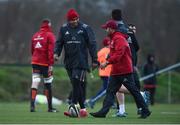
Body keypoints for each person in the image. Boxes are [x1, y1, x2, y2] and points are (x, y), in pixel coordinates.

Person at [90, 20, 151, 118]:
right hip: (116, 71)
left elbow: (118, 55)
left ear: (112, 29)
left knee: (134, 91)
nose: (106, 30)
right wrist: (106, 61)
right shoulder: (114, 38)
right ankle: (103, 112)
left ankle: (145, 110)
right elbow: (113, 54)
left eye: (107, 28)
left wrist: (107, 62)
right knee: (110, 91)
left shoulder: (119, 39)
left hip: (124, 70)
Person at [54, 8, 98, 117]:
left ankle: (73, 105)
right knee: (76, 84)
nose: (74, 21)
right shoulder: (64, 29)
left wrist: (94, 60)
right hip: (69, 62)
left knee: (76, 80)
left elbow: (92, 44)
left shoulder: (85, 28)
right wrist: (56, 53)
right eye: (72, 20)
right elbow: (59, 43)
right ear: (68, 20)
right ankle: (83, 109)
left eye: (76, 19)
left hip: (81, 62)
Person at [30, 19, 57, 112]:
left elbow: (32, 50)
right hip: (45, 63)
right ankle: (50, 108)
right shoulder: (50, 35)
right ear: (49, 25)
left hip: (35, 62)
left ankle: (32, 106)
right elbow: (51, 51)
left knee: (35, 81)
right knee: (48, 83)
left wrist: (34, 59)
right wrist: (51, 63)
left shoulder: (35, 35)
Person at [88, 37, 112, 109]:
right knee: (107, 89)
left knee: (106, 88)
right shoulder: (110, 50)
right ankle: (93, 100)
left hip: (102, 72)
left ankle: (111, 102)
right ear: (109, 43)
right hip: (109, 73)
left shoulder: (100, 51)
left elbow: (97, 62)